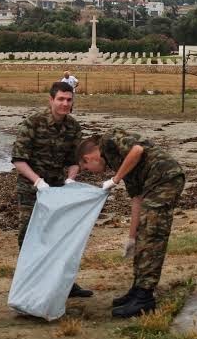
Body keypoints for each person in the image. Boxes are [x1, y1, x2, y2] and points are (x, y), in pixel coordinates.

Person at [76, 128, 185, 318]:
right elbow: (136, 198)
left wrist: (114, 180)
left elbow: (137, 150)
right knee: (143, 235)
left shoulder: (109, 140)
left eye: (86, 169)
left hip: (165, 178)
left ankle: (145, 299)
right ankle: (137, 289)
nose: (90, 173)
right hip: (151, 185)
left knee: (152, 235)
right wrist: (131, 237)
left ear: (88, 158)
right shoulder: (118, 162)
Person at [11, 81, 92, 298]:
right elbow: (18, 160)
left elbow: (74, 160)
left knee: (61, 235)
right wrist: (37, 181)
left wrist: (71, 179)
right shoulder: (33, 123)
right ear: (51, 100)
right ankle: (30, 283)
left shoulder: (73, 127)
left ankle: (65, 283)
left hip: (57, 189)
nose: (65, 104)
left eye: (69, 100)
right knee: (28, 235)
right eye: (61, 99)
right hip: (31, 188)